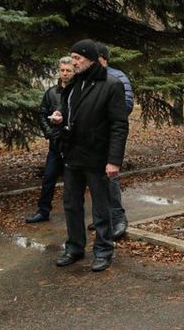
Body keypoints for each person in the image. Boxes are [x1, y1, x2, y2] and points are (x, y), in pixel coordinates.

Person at [51, 39, 128, 272]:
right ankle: (74, 247)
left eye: (77, 58)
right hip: (73, 155)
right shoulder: (73, 84)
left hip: (98, 157)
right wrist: (60, 117)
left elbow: (119, 125)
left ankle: (104, 250)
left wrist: (114, 160)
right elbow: (69, 111)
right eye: (71, 58)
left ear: (91, 59)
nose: (73, 63)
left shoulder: (111, 84)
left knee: (101, 207)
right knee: (71, 205)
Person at [83, 42, 134, 239]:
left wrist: (99, 115)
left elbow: (126, 105)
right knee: (94, 180)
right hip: (89, 140)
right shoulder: (86, 78)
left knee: (109, 178)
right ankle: (102, 218)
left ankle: (118, 218)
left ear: (102, 59)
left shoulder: (117, 77)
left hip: (109, 138)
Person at [25, 57, 75, 223]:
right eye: (62, 70)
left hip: (73, 145)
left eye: (68, 70)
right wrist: (49, 132)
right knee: (48, 178)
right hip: (55, 145)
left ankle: (73, 213)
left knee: (72, 183)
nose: (65, 73)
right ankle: (43, 211)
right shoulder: (51, 92)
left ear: (74, 71)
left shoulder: (78, 92)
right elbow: (41, 113)